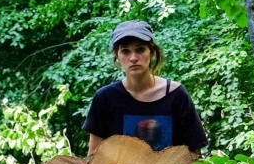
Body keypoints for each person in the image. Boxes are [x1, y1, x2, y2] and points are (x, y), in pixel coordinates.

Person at [82, 20, 208, 154]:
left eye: (140, 49)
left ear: (151, 51)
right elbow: (94, 159)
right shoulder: (106, 98)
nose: (133, 58)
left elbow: (194, 156)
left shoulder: (176, 95)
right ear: (117, 56)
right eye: (125, 51)